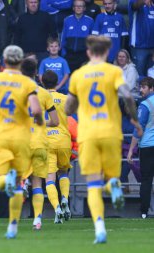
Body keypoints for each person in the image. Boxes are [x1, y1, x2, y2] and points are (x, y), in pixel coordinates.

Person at [65, 35, 142, 244]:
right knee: (111, 177)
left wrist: (73, 106)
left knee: (93, 183)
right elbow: (127, 95)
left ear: (89, 52)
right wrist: (134, 121)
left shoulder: (79, 75)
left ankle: (100, 228)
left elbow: (68, 107)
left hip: (88, 134)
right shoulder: (114, 71)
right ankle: (114, 185)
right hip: (110, 132)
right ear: (107, 53)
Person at [0, 45, 43, 239]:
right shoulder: (28, 83)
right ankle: (13, 225)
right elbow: (36, 111)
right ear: (21, 61)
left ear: (3, 60)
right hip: (21, 135)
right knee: (20, 182)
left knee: (0, 181)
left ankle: (8, 182)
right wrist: (38, 122)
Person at [21, 59, 59, 230]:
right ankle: (37, 219)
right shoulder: (44, 94)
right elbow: (55, 121)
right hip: (40, 143)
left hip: (22, 142)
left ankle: (22, 183)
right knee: (38, 184)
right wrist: (41, 122)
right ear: (36, 73)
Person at [41, 70, 72, 224]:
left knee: (50, 180)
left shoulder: (39, 98)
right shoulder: (65, 99)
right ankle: (65, 198)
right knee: (64, 172)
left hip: (47, 142)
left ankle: (57, 208)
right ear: (57, 81)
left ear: (42, 81)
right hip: (64, 140)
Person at [127, 77, 154, 219]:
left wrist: (131, 150)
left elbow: (139, 129)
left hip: (148, 146)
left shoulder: (145, 104)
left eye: (144, 87)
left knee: (146, 180)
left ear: (151, 88)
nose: (141, 90)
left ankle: (144, 212)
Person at [61, 0, 94, 72]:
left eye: (80, 6)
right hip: (69, 55)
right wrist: (64, 53)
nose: (78, 8)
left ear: (84, 8)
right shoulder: (67, 20)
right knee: (70, 78)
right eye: (76, 6)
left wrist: (89, 54)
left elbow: (92, 40)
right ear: (73, 8)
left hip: (83, 55)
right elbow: (63, 38)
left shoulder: (90, 21)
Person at [128, 0, 154, 76]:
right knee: (139, 76)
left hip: (152, 47)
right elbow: (134, 6)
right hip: (139, 46)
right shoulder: (135, 1)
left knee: (151, 76)